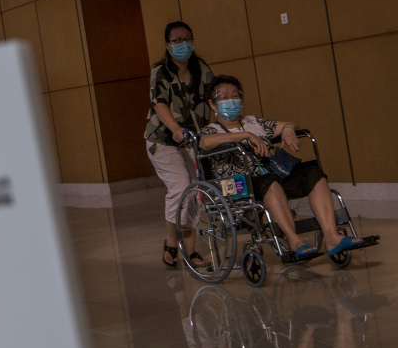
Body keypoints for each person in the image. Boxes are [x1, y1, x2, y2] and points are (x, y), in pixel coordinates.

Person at [198, 74, 364, 259]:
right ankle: (294, 241)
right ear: (213, 105)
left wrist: (288, 130)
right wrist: (244, 136)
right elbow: (205, 143)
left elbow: (288, 123)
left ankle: (332, 236)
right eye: (224, 97)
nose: (231, 100)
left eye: (235, 95)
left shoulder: (253, 122)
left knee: (313, 173)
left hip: (272, 176)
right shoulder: (211, 130)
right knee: (269, 182)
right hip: (240, 184)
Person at [145, 21, 213, 267]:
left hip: (193, 139)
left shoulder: (201, 69)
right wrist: (175, 129)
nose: (183, 44)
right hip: (163, 140)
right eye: (177, 40)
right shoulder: (160, 71)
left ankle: (191, 250)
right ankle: (172, 243)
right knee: (180, 186)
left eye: (187, 39)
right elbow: (159, 103)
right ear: (168, 45)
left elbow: (213, 98)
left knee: (195, 190)